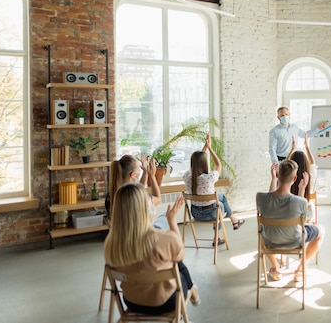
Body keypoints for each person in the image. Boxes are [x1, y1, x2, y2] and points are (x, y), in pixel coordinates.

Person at [104, 183, 201, 314]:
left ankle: (194, 291)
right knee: (177, 263)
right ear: (145, 209)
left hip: (132, 303)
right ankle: (193, 290)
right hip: (165, 303)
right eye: (149, 200)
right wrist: (172, 221)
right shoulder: (164, 239)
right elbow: (180, 254)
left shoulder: (111, 244)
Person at [257, 159, 325, 282]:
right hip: (295, 241)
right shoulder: (300, 202)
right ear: (294, 179)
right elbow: (304, 221)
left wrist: (273, 180)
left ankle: (275, 267)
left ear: (277, 175)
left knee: (261, 232)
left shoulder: (260, 198)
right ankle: (300, 269)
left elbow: (270, 198)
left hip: (269, 242)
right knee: (321, 231)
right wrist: (302, 189)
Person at [183, 133, 244, 243]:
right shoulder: (208, 178)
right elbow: (218, 165)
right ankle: (218, 236)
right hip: (210, 213)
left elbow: (196, 163)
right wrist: (209, 148)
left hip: (195, 213)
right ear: (204, 163)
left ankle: (234, 220)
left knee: (221, 196)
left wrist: (205, 148)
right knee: (219, 206)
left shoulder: (186, 177)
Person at [106, 153, 168, 230]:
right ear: (132, 174)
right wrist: (152, 176)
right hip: (143, 237)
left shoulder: (112, 195)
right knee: (167, 217)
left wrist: (145, 173)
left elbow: (138, 190)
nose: (139, 173)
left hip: (123, 237)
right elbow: (157, 198)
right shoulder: (139, 198)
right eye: (139, 170)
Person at [287, 134, 317, 222]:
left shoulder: (287, 178)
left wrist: (292, 149)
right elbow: (313, 163)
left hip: (290, 213)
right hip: (307, 214)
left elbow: (285, 165)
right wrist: (306, 146)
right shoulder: (310, 177)